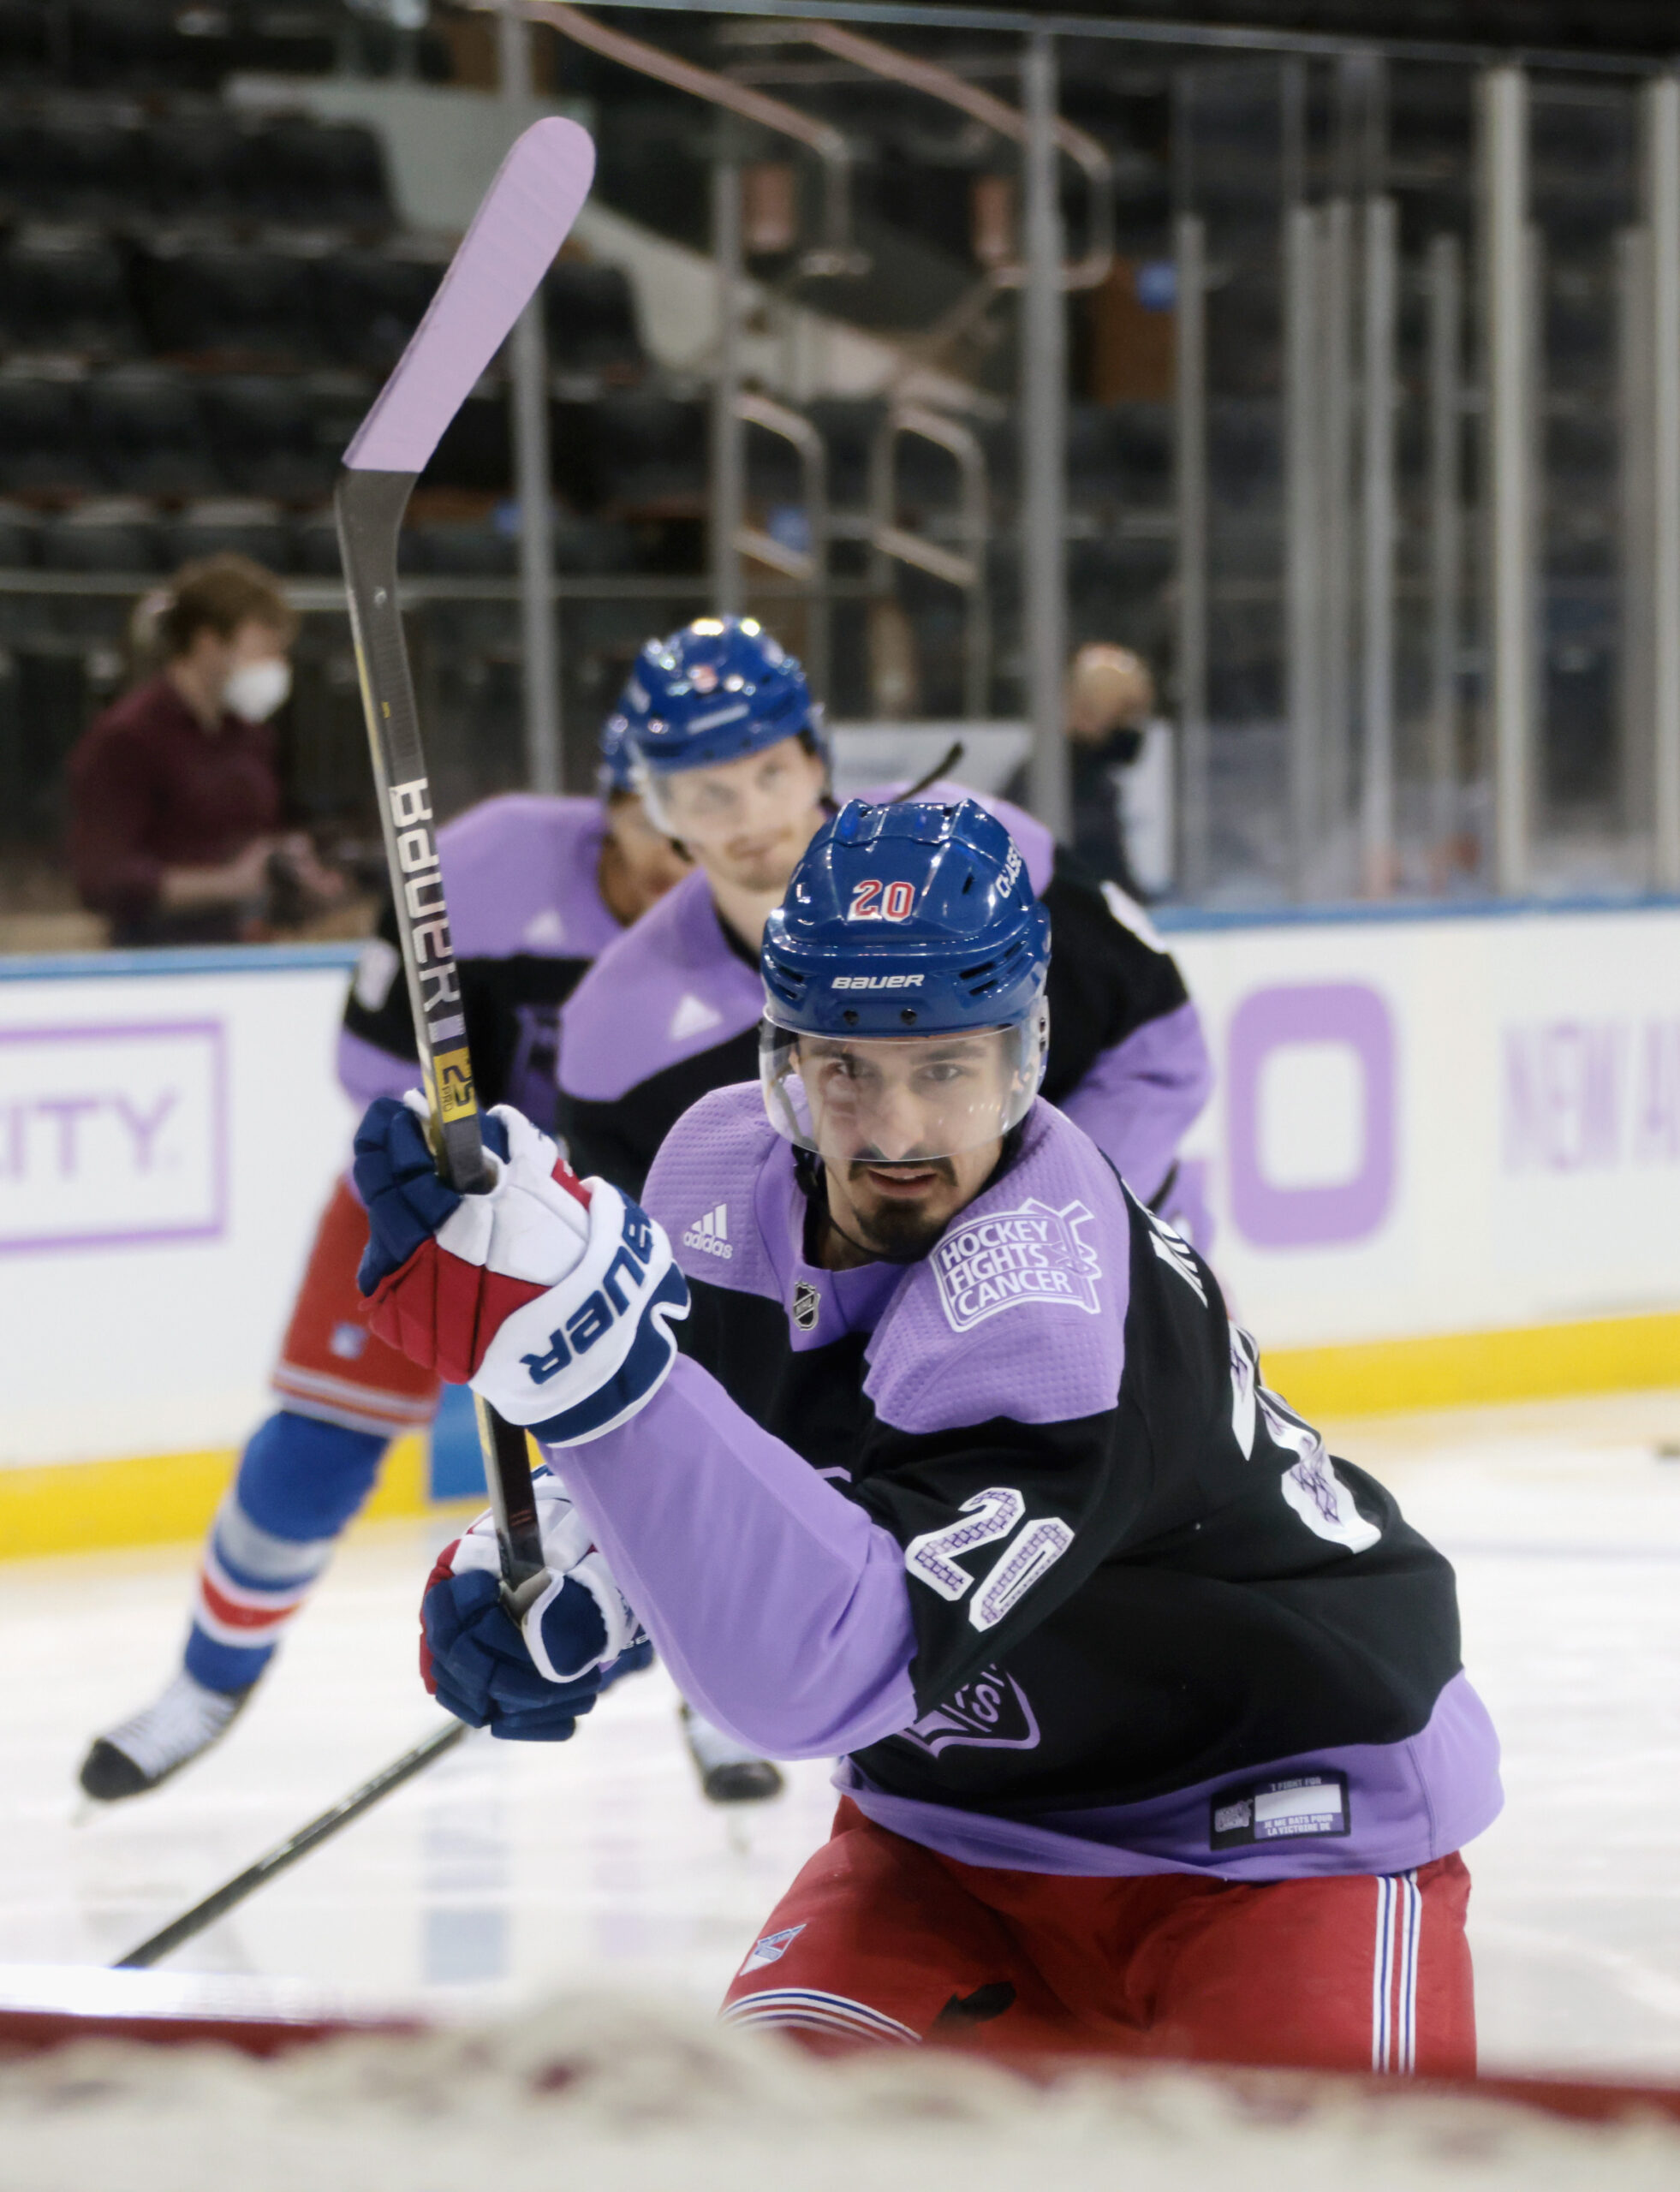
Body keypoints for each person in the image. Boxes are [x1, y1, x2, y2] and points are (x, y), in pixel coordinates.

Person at [357, 795, 1502, 2073]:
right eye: (845, 1067)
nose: (895, 1133)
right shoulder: (710, 1176)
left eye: (945, 1069)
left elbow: (814, 1672)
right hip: (948, 1841)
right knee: (738, 2153)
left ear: (1025, 1056)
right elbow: (740, 1465)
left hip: (1275, 1827)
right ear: (781, 1060)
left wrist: (581, 1365)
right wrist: (586, 1562)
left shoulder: (1046, 1297)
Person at [75, 713, 777, 1803]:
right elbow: (366, 1059)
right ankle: (204, 1687)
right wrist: (452, 1172)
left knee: (694, 1450)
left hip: (633, 1214)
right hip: (438, 1203)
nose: (676, 860)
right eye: (660, 823)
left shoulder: (753, 907)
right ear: (615, 803)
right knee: (311, 1448)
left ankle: (714, 1700)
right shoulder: (492, 862)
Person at [557, 617, 1211, 1237]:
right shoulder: (613, 1029)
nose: (750, 817)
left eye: (771, 773)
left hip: (1111, 1270)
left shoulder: (979, 856)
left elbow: (1159, 1045)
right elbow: (663, 1266)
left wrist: (1038, 1226)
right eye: (709, 793)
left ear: (817, 763)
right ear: (662, 811)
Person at [69, 554, 341, 945]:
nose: (276, 667)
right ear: (209, 642)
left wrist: (290, 864)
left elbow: (252, 834)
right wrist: (229, 884)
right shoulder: (127, 738)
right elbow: (103, 878)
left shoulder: (250, 735)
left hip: (247, 947)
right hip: (162, 958)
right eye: (264, 651)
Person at [1066, 642, 1171, 900]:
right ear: (1087, 712)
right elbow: (1118, 894)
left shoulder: (1097, 787)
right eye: (1125, 712)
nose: (1134, 727)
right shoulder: (1071, 797)